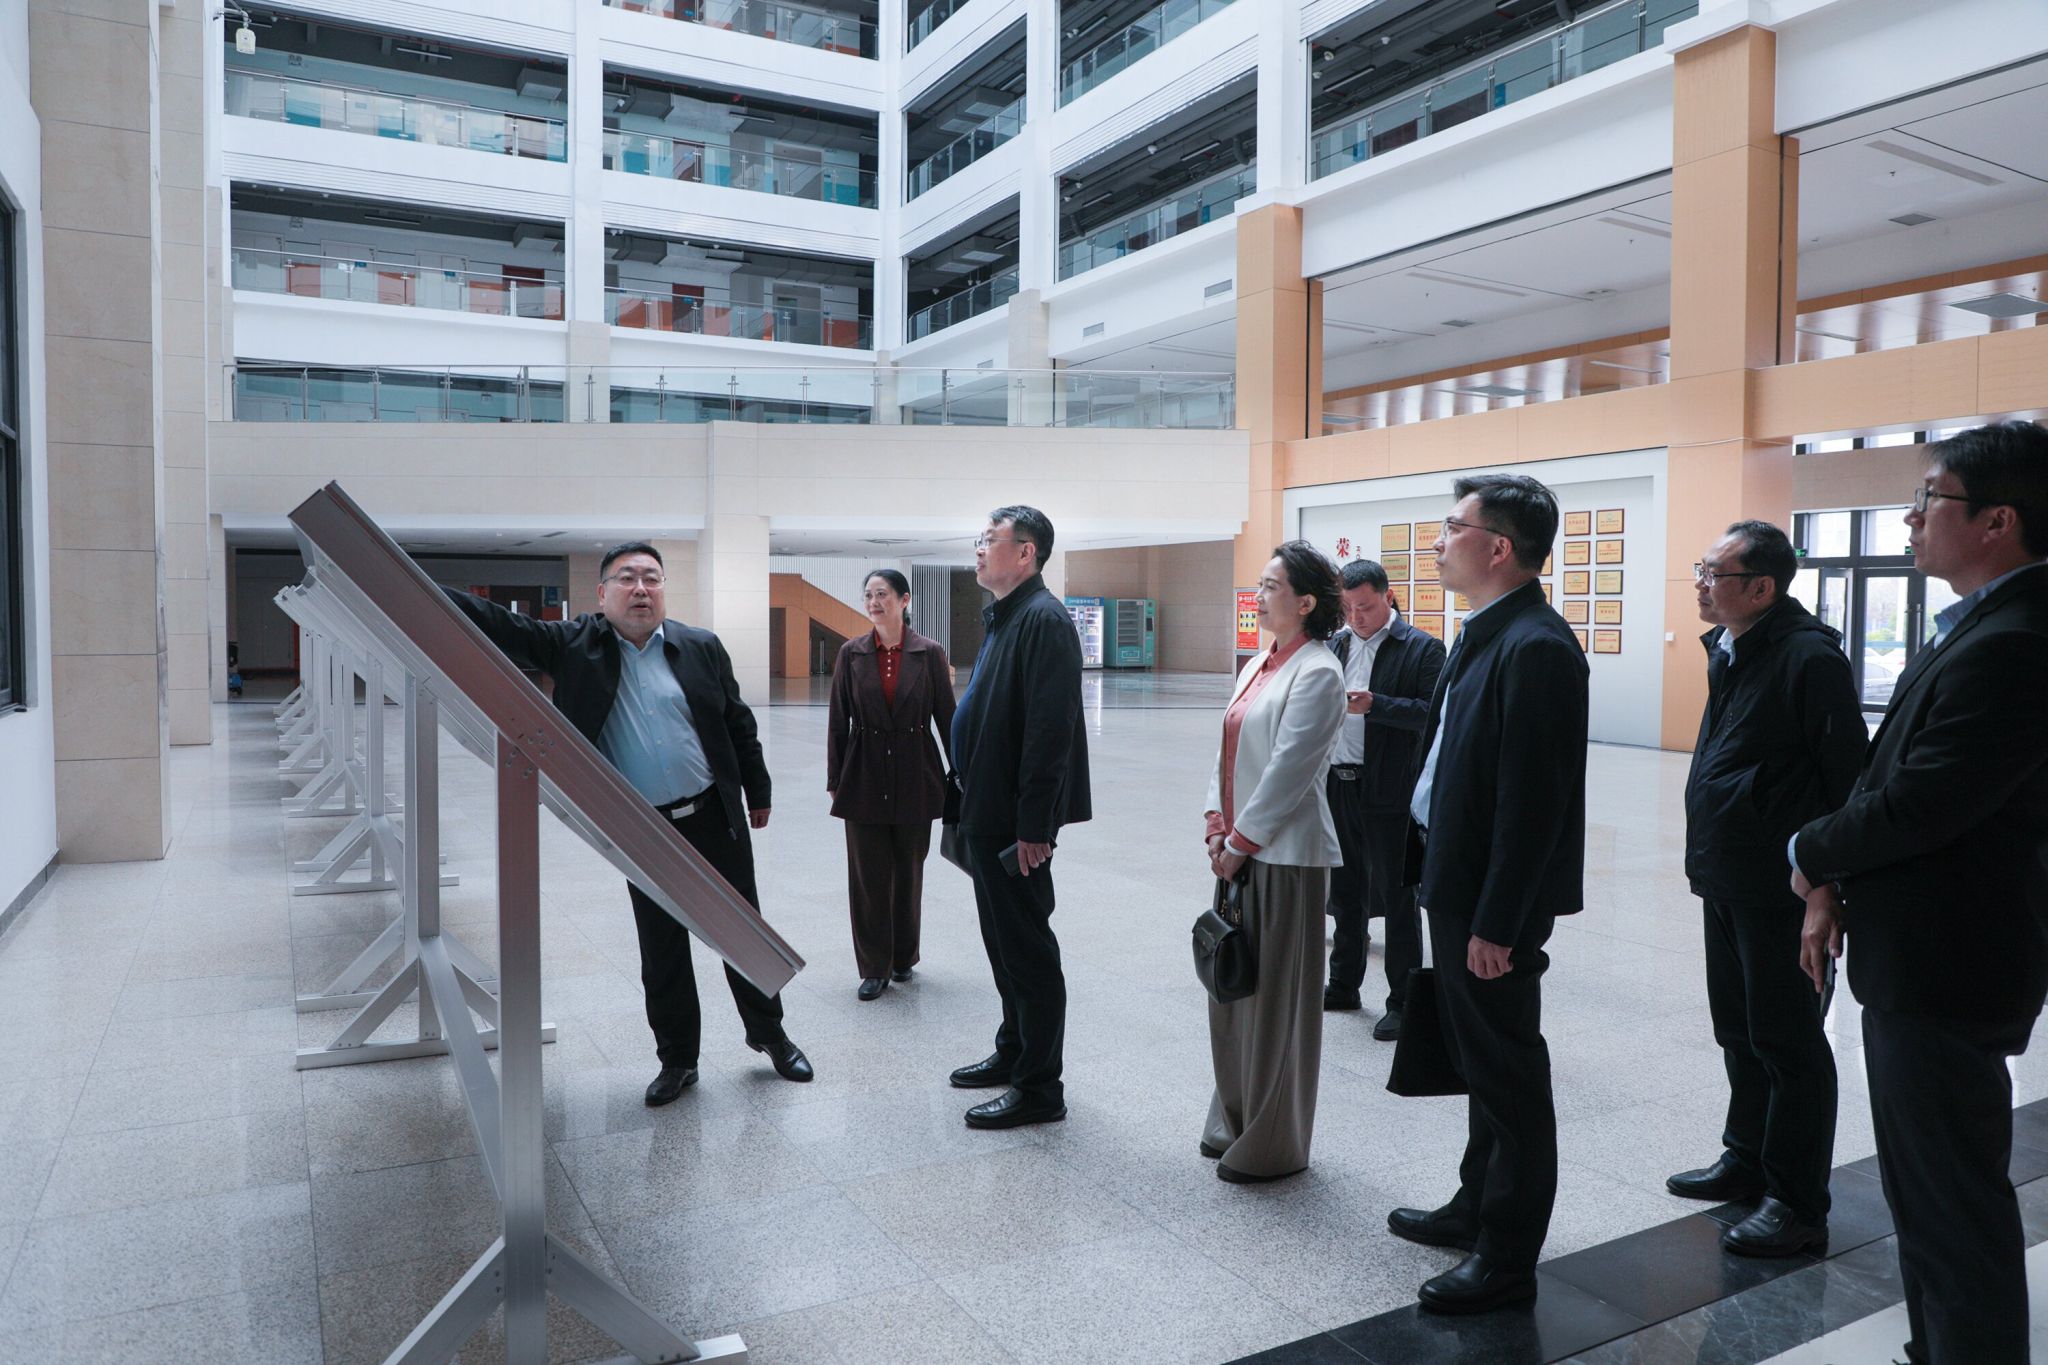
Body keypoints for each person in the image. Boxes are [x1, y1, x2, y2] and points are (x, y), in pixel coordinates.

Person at [1792, 421, 2048, 1365]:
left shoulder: (2016, 641)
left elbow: (1922, 800)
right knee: (1929, 1192)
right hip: (1931, 953)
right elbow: (1889, 775)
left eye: (1929, 499)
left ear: (1998, 521)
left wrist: (1809, 848)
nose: (1910, 518)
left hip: (1952, 962)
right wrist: (1833, 877)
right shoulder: (1983, 624)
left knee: (1951, 1199)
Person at [449, 542, 814, 1106]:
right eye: (626, 578)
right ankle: (678, 1060)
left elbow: (738, 722)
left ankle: (770, 1034)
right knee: (662, 947)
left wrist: (757, 790)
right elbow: (499, 624)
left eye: (651, 578)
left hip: (712, 814)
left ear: (664, 589)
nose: (640, 588)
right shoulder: (573, 644)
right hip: (643, 828)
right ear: (602, 594)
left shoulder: (700, 646)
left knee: (741, 930)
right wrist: (412, 582)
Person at [1385, 473, 1587, 1314]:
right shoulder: (1485, 632)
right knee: (1477, 1058)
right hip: (1454, 876)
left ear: (1498, 547)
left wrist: (1499, 921)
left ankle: (1507, 1255)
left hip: (1489, 900)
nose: (1437, 542)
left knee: (1508, 1074)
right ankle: (1475, 1204)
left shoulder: (1536, 647)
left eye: (1451, 527)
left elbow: (1532, 806)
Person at [1666, 520, 1865, 1257]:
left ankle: (1797, 1201)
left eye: (1713, 572)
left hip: (1783, 886)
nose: (1700, 582)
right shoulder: (1732, 647)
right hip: (1729, 872)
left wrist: (1825, 890)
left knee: (1789, 1040)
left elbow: (1847, 779)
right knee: (1739, 1029)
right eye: (1701, 567)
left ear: (1760, 588)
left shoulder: (1808, 657)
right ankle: (1745, 1156)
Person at [1201, 541, 1347, 1183]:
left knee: (1279, 1004)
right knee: (1234, 991)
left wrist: (1238, 845)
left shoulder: (1318, 672)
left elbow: (1290, 773)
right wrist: (1215, 823)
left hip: (1284, 858)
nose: (1257, 596)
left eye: (1270, 586)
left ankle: (1272, 1142)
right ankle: (1232, 1118)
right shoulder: (1259, 664)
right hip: (1239, 851)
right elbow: (1227, 753)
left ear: (1306, 602)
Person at [947, 505, 1092, 1130]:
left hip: (1014, 824)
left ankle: (1039, 1087)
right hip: (986, 809)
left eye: (989, 540)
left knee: (1027, 952)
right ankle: (1014, 1051)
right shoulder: (1007, 615)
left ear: (1026, 553)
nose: (979, 550)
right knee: (1003, 946)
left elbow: (1049, 731)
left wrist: (1036, 827)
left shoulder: (1044, 620)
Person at [1322, 558, 1446, 1040]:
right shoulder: (1335, 645)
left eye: (1366, 607)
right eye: (1348, 608)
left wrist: (1377, 705)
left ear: (1388, 597)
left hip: (1392, 791)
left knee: (1398, 898)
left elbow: (1432, 714)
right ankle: (1343, 984)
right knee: (1345, 891)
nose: (1356, 617)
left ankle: (1403, 1001)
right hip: (1339, 785)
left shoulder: (1421, 648)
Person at [826, 568, 957, 1001]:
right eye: (868, 595)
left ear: (904, 600)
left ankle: (904, 956)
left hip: (916, 772)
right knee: (867, 875)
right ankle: (873, 967)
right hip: (863, 774)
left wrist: (961, 773)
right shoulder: (851, 653)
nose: (874, 602)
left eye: (882, 594)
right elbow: (838, 720)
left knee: (908, 871)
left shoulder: (929, 653)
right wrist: (835, 778)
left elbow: (947, 718)